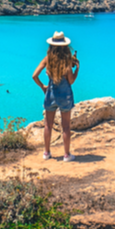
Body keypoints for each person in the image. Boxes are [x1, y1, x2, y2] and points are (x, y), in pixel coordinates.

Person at [32, 31, 79, 162]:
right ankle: (66, 155)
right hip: (65, 96)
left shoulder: (47, 59)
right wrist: (77, 68)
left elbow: (34, 75)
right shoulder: (66, 60)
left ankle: (46, 153)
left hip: (51, 94)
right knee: (66, 126)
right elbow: (71, 80)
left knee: (48, 125)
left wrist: (43, 87)